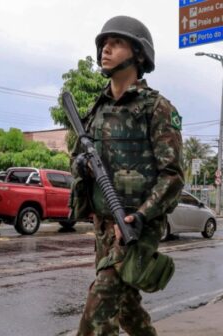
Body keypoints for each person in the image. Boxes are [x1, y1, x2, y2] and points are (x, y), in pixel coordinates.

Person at [71, 16, 184, 335]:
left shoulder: (157, 108)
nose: (106, 47)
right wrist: (82, 165)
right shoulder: (98, 109)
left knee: (99, 308)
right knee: (127, 309)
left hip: (137, 227)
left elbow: (172, 176)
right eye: (103, 43)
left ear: (137, 53)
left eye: (116, 42)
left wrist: (141, 216)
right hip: (103, 226)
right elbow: (77, 159)